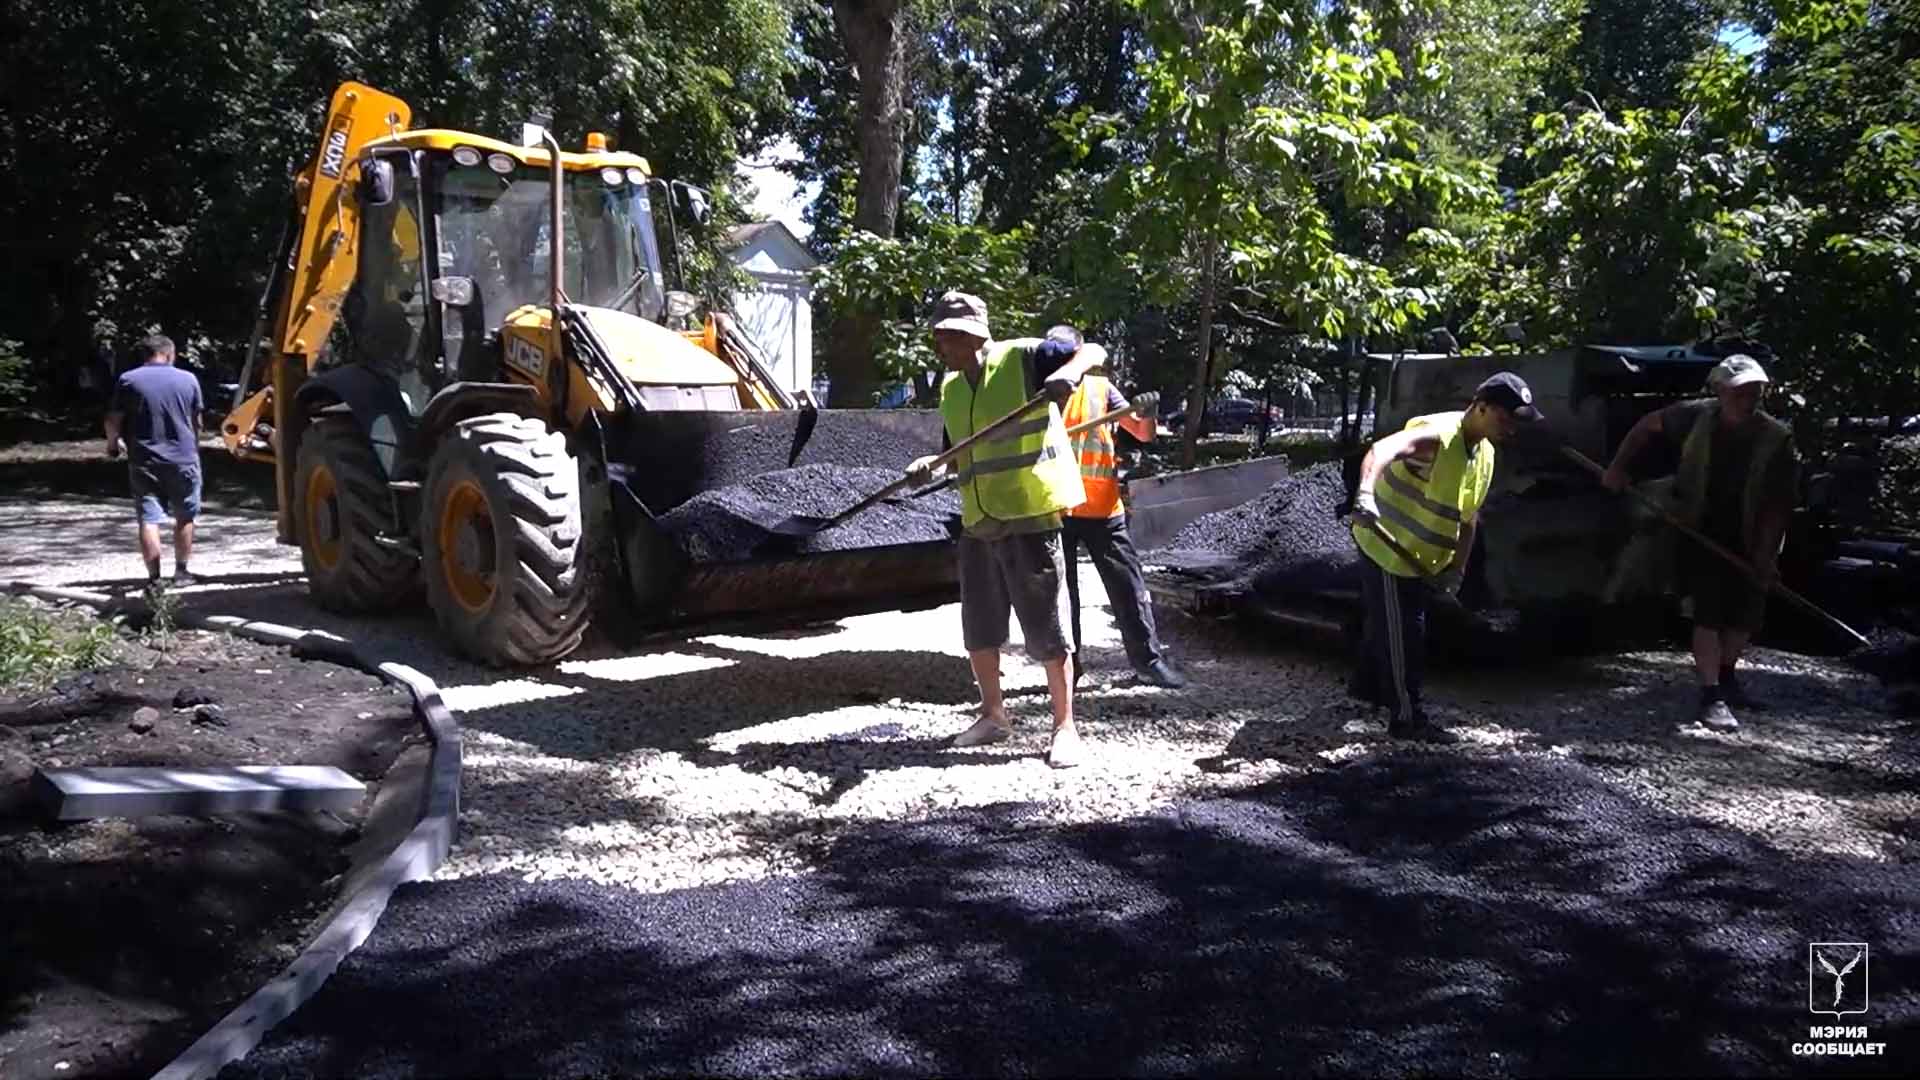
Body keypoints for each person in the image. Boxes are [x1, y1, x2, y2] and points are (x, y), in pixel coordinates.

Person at [907, 292, 1097, 768]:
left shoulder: (1023, 358)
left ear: (972, 334)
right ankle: (994, 716)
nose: (940, 346)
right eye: (938, 336)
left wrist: (1069, 373)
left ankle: (1065, 727)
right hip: (978, 523)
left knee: (1045, 628)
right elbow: (958, 451)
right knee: (980, 627)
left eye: (947, 336)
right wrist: (929, 465)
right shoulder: (951, 387)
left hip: (1028, 516)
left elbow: (1089, 349)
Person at [1600, 354, 1798, 729]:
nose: (1750, 398)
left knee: (1745, 614)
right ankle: (1711, 693)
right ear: (1721, 391)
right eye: (1741, 391)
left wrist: (1765, 555)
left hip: (1751, 532)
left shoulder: (1775, 439)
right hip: (1698, 528)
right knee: (1708, 610)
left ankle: (1726, 676)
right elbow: (1646, 426)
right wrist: (1618, 467)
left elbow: (1777, 506)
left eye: (1755, 390)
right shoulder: (1694, 416)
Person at [1348, 372, 1542, 742]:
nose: (1512, 429)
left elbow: (1468, 518)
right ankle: (1407, 717)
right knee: (1405, 631)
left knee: (1387, 619)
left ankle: (1364, 685)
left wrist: (1457, 570)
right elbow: (1381, 451)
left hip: (1421, 555)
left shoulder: (1485, 455)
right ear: (1481, 407)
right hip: (1385, 545)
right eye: (1505, 418)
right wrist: (1366, 494)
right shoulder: (1437, 436)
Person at [1043, 325, 1186, 688]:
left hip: (1103, 510)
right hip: (1055, 510)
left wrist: (1148, 413)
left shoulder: (1099, 388)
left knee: (1128, 587)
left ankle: (1148, 662)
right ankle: (1070, 668)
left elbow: (1142, 433)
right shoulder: (1038, 394)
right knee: (1062, 596)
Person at [105, 334, 204, 591]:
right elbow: (197, 422)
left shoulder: (128, 380)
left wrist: (113, 444)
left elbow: (114, 419)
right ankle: (181, 572)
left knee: (149, 518)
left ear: (146, 354)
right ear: (170, 354)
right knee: (185, 516)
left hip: (144, 458)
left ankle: (155, 578)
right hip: (184, 458)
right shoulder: (189, 379)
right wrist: (195, 446)